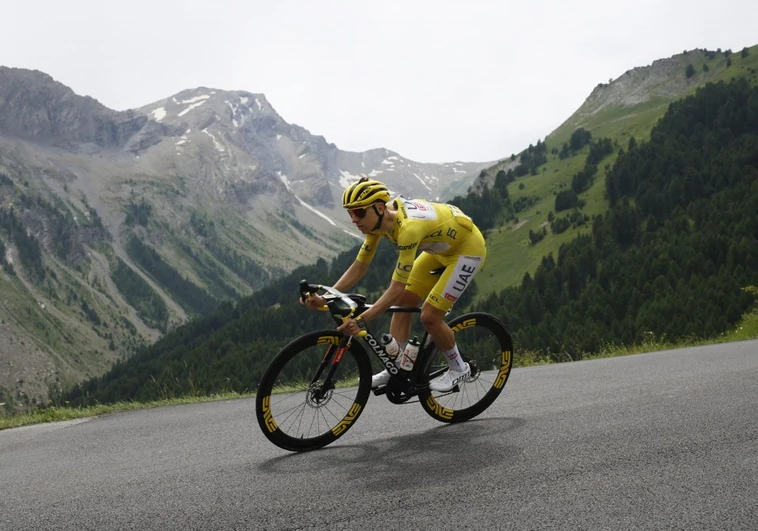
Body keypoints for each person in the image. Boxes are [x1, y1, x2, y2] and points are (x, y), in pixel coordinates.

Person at [303, 177, 487, 392]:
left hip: (467, 251)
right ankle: (397, 365)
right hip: (439, 251)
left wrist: (362, 321)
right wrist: (328, 297)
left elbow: (396, 285)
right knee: (403, 302)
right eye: (350, 213)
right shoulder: (376, 224)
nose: (354, 219)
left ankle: (459, 367)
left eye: (359, 212)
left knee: (429, 317)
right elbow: (360, 266)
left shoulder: (408, 229)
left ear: (379, 208)